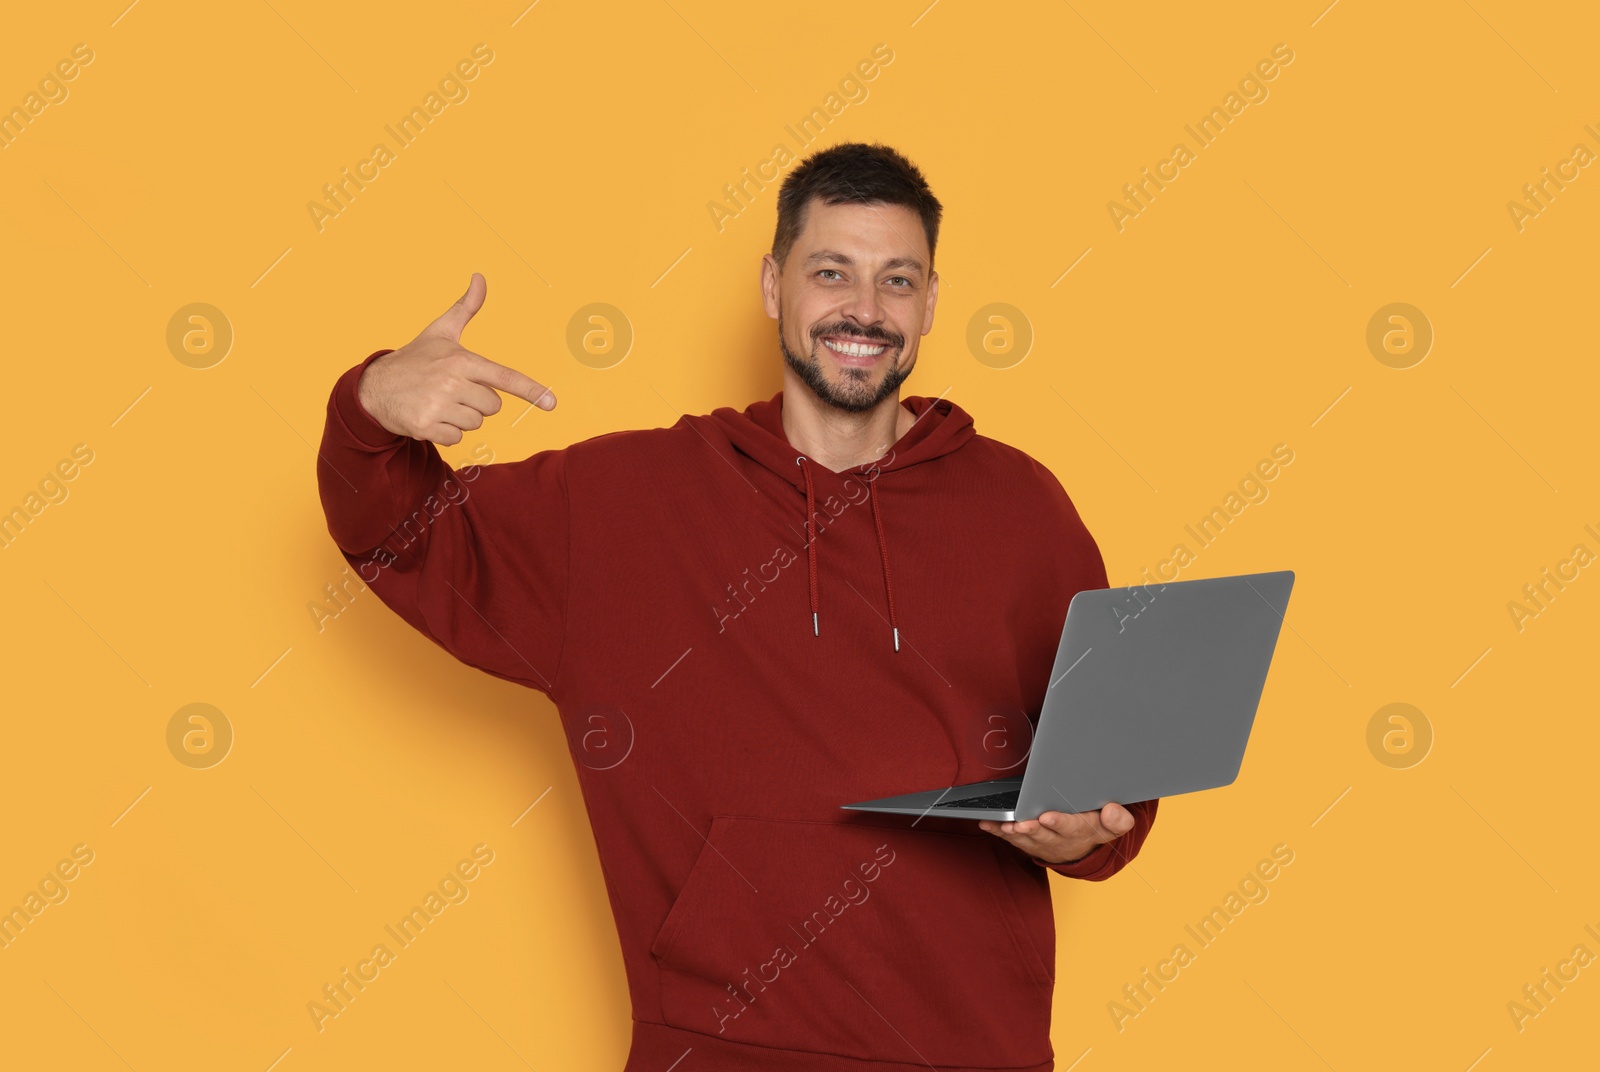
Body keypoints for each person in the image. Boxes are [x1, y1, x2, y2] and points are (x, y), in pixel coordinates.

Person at [316, 141, 1157, 1071]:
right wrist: (372, 404)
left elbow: (1115, 779)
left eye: (898, 281)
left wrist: (1085, 836)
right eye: (831, 272)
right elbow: (402, 536)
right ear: (772, 285)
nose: (865, 312)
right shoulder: (625, 504)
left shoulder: (1022, 507)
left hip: (978, 1051)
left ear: (929, 302)